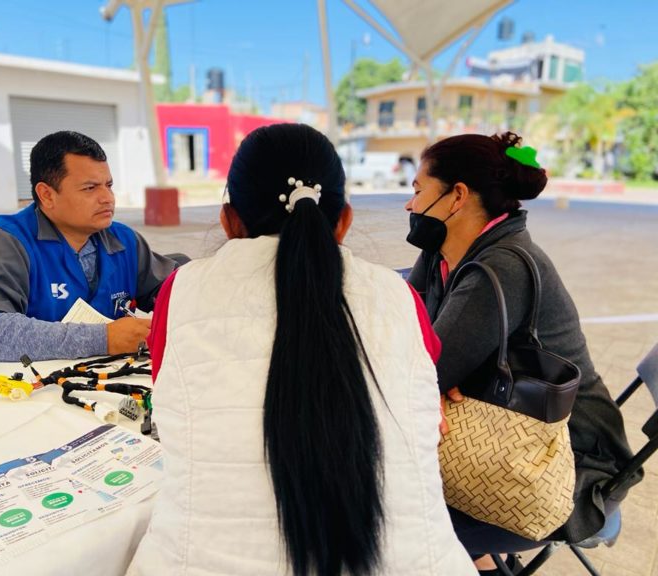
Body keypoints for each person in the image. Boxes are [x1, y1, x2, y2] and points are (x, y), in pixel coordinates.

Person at [126, 123, 476, 576]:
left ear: (229, 220)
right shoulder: (398, 297)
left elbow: (169, 394)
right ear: (344, 219)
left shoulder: (182, 291)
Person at [405, 132, 639, 574]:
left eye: (417, 190)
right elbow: (405, 328)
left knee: (402, 521)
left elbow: (421, 374)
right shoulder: (443, 252)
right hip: (503, 438)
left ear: (456, 197)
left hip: (562, 469)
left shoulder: (503, 266)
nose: (409, 205)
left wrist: (440, 378)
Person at [0, 130, 178, 362]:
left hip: (94, 381)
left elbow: (177, 293)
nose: (107, 198)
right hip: (12, 388)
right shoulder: (2, 242)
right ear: (47, 195)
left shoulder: (124, 241)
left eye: (108, 185)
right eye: (90, 188)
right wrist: (105, 338)